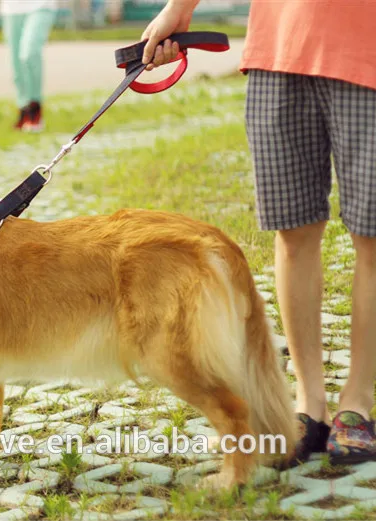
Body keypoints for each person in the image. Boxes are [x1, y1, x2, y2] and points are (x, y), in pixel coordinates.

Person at [141, 0, 376, 465]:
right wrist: (179, 9)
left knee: (371, 237)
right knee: (292, 231)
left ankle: (358, 400)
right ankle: (310, 402)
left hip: (366, 51)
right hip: (279, 50)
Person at [0, 0, 57, 132]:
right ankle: (24, 109)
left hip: (40, 5)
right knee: (16, 65)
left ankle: (35, 108)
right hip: (12, 9)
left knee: (29, 54)